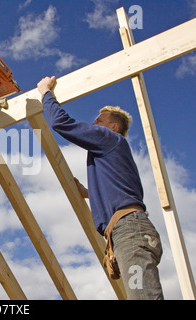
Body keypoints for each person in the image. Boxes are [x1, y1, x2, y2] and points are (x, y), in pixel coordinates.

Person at [37, 76, 164, 300]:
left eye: (99, 120)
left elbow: (61, 124)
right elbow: (122, 190)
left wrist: (46, 93)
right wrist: (88, 194)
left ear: (113, 126)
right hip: (126, 230)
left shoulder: (110, 139)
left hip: (129, 231)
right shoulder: (114, 152)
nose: (94, 125)